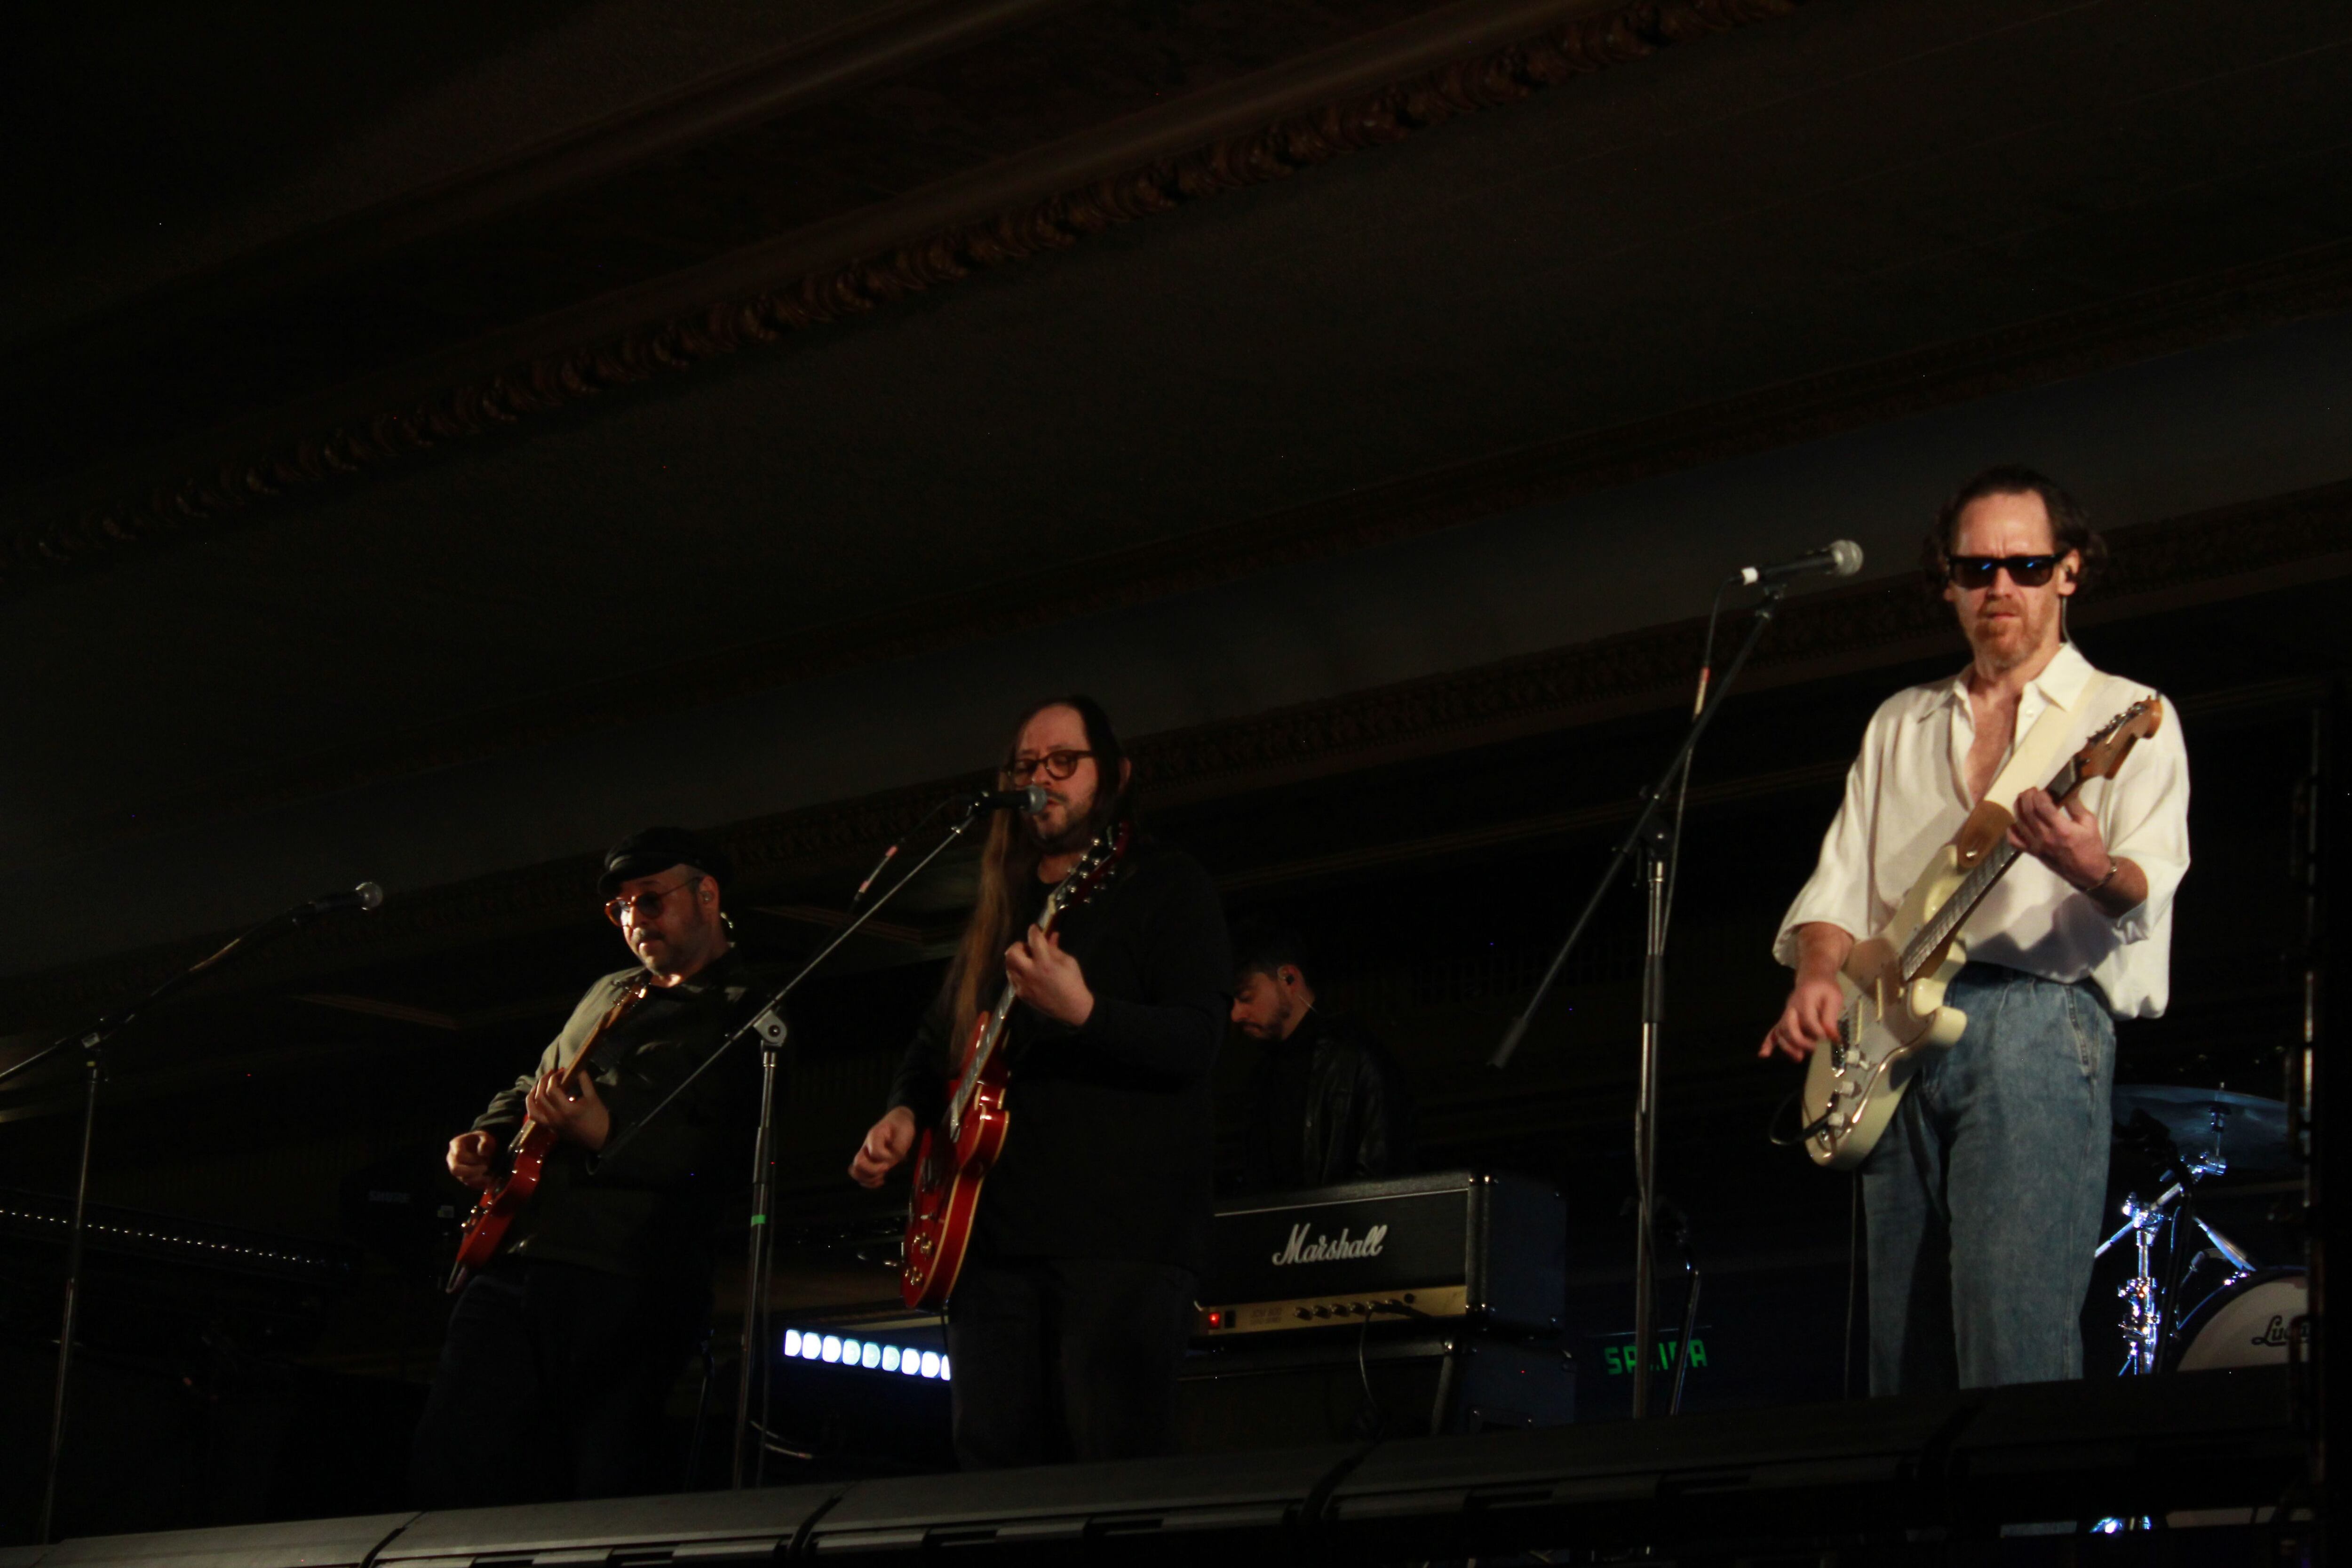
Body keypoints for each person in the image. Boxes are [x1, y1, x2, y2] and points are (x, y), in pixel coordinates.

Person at [1762, 466, 2190, 1394]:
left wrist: (2087, 865)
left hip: (2036, 1021)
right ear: (1947, 580)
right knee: (1898, 1364)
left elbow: (2146, 880)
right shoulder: (1900, 722)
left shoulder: (2123, 712)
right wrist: (1818, 974)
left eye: (2028, 565)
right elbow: (1837, 890)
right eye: (1977, 566)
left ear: (2070, 573)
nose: (2001, 586)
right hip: (1892, 1042)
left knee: (2014, 1342)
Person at [849, 696, 1231, 1468]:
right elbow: (934, 1043)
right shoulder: (1003, 908)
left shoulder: (1165, 883)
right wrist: (903, 1111)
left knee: (1108, 1469)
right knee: (992, 1468)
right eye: (1027, 766)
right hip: (991, 1244)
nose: (1042, 779)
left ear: (1114, 774)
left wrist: (1086, 1011)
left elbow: (1197, 1039)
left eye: (1064, 762)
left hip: (1119, 1244)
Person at [410, 827, 763, 1506]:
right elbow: (536, 1078)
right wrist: (486, 1137)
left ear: (708, 894)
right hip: (516, 1259)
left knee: (596, 1480)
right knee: (453, 1458)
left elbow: (724, 1152)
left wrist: (608, 1133)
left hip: (624, 1279)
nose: (635, 918)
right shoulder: (611, 988)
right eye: (623, 908)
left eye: (651, 900)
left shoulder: (748, 1009)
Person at [1230, 922, 1412, 1190]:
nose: (1236, 1015)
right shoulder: (1261, 1075)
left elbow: (1384, 1172)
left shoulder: (1357, 1057)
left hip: (1344, 1230)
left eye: (1246, 997)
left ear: (1289, 979)